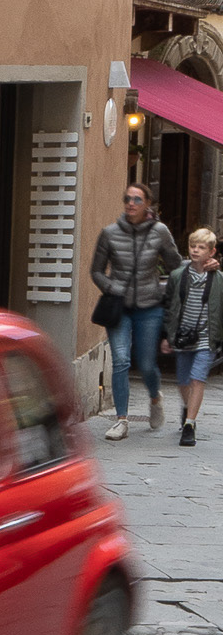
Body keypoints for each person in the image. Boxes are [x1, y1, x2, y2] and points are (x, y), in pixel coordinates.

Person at [90, 181, 182, 441]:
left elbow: (176, 267)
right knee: (121, 360)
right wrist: (111, 287)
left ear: (147, 204)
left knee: (146, 364)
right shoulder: (109, 233)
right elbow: (96, 271)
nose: (131, 204)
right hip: (119, 307)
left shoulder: (160, 232)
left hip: (149, 307)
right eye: (128, 199)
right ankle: (121, 420)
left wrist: (168, 290)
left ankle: (155, 397)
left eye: (137, 199)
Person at [161, 227, 223, 447]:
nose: (195, 250)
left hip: (207, 337)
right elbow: (169, 307)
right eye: (192, 246)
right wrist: (167, 336)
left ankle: (190, 424)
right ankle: (188, 408)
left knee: (198, 378)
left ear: (211, 252)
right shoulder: (178, 276)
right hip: (183, 337)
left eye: (201, 247)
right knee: (183, 381)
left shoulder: (218, 279)